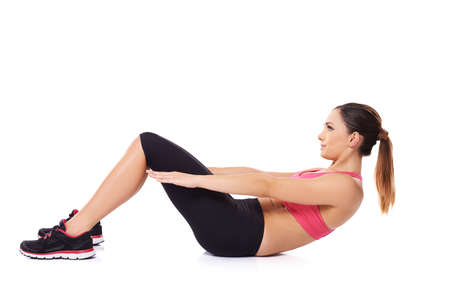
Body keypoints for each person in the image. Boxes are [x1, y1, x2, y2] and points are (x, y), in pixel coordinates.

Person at [19, 102, 395, 259]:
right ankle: (88, 223)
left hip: (236, 234)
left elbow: (266, 186)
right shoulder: (332, 176)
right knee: (152, 150)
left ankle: (75, 235)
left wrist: (192, 179)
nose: (320, 135)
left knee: (148, 143)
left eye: (329, 128)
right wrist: (199, 171)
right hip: (240, 221)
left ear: (353, 139)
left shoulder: (346, 188)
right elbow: (259, 174)